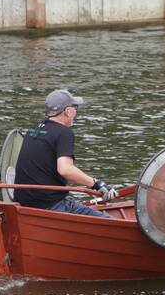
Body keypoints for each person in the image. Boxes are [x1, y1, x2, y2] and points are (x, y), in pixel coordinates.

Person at [13, 89, 117, 217]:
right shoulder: (63, 133)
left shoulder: (32, 129)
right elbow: (65, 170)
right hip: (51, 204)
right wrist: (97, 183)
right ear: (67, 111)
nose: (76, 112)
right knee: (112, 222)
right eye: (75, 107)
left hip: (25, 203)